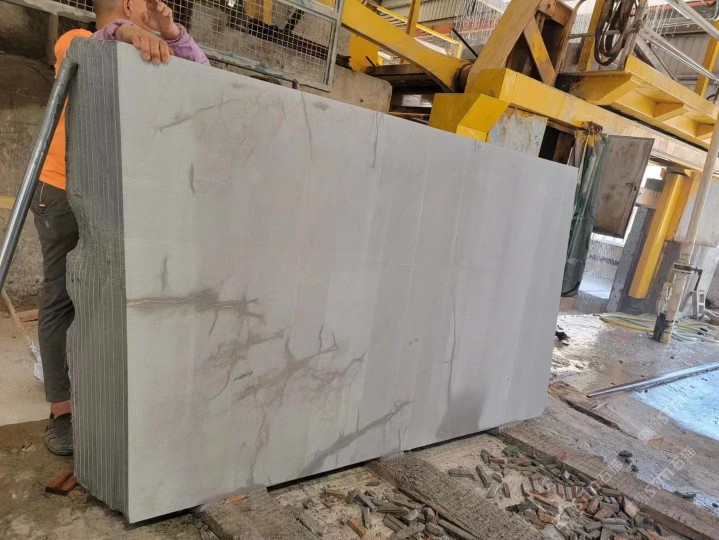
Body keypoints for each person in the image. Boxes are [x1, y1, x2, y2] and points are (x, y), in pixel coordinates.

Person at [35, 0, 209, 456]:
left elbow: (203, 78)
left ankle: (107, 392)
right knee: (61, 297)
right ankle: (62, 412)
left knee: (111, 295)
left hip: (109, 192)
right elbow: (91, 45)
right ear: (129, 5)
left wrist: (172, 32)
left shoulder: (142, 53)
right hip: (61, 190)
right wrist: (126, 31)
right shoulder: (76, 41)